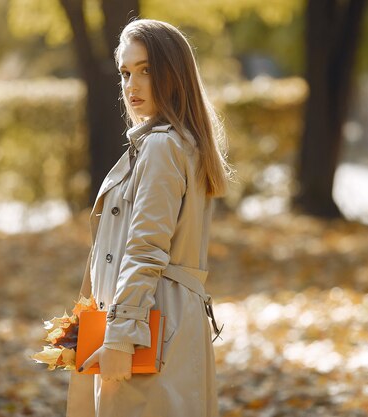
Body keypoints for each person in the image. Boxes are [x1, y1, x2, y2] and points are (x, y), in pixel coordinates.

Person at [66, 18, 231, 417]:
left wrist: (120, 339)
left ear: (173, 75)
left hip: (148, 330)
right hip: (160, 323)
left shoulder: (161, 147)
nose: (132, 86)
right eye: (125, 73)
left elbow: (145, 249)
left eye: (146, 70)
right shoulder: (178, 144)